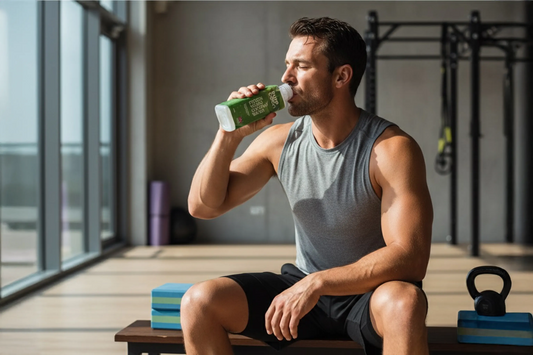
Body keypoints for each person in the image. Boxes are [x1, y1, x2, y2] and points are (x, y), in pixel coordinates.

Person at [184, 17, 433, 355]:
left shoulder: (390, 150)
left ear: (341, 76)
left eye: (300, 66)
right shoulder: (279, 141)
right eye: (287, 65)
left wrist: (319, 282)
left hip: (367, 294)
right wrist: (228, 137)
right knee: (199, 302)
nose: (286, 78)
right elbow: (203, 206)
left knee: (406, 303)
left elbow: (410, 258)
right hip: (302, 285)